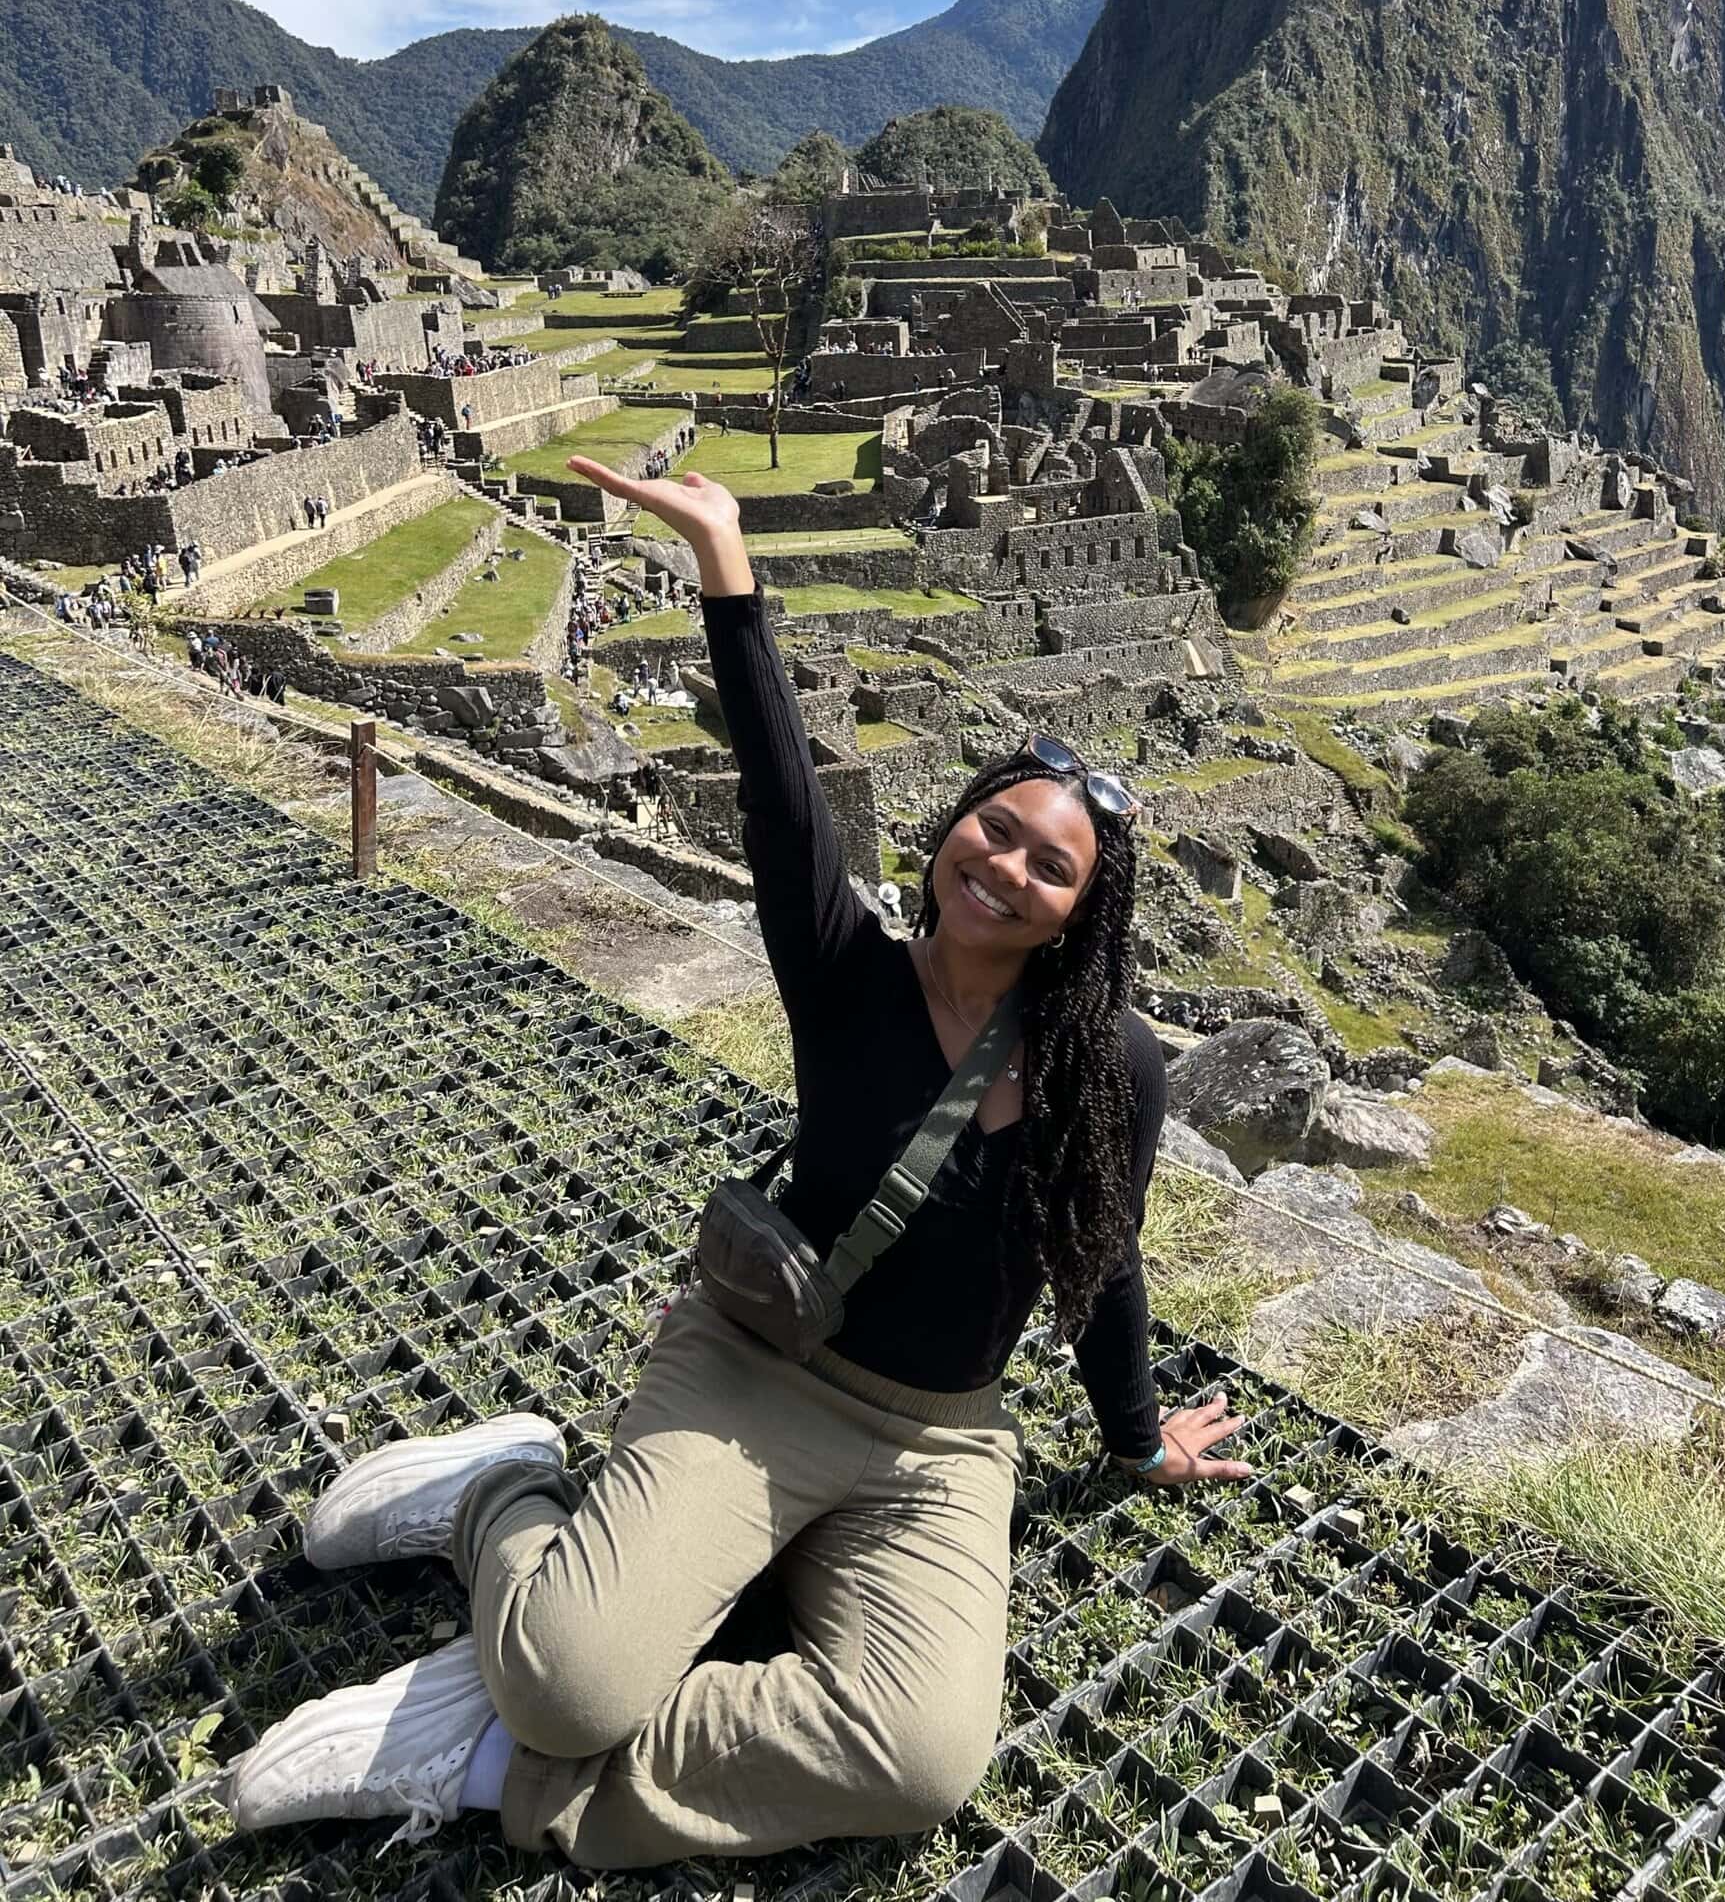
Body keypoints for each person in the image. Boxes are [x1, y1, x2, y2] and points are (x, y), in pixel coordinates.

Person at [229, 451, 1250, 1871]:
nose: (1005, 867)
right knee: (571, 1678)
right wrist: (729, 570)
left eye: (1048, 866)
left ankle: (490, 1766)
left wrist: (1136, 1439)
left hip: (937, 1444)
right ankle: (500, 1497)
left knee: (922, 1759)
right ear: (954, 827)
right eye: (994, 829)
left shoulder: (1112, 1071)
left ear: (1081, 913)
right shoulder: (845, 978)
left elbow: (1105, 1258)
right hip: (757, 1367)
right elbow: (784, 807)